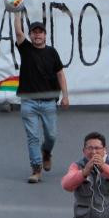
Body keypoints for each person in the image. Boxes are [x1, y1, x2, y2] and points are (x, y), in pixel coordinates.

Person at [14, 10, 70, 183]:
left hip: (48, 102)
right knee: (33, 137)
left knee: (51, 135)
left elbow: (60, 74)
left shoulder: (52, 53)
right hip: (28, 101)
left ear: (45, 35)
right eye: (34, 32)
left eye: (40, 32)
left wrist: (65, 96)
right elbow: (18, 31)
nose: (37, 35)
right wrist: (17, 11)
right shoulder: (26, 49)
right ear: (30, 35)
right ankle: (36, 169)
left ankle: (46, 152)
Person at [61, 132, 109, 218]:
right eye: (90, 148)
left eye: (97, 148)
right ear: (84, 150)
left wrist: (103, 167)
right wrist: (84, 172)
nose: (93, 152)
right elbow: (66, 185)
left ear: (105, 150)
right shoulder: (77, 165)